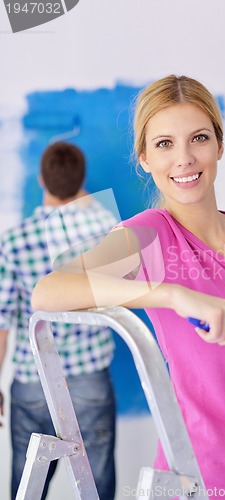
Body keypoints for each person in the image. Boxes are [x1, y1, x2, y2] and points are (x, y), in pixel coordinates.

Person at [31, 76, 225, 500]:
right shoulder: (150, 237)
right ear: (144, 159)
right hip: (202, 484)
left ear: (219, 146)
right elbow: (48, 291)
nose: (185, 159)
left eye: (199, 138)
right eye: (165, 144)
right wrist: (171, 294)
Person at [0, 142, 117, 500]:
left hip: (32, 377)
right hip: (90, 376)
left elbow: (2, 322)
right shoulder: (107, 230)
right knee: (97, 486)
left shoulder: (14, 241)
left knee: (26, 487)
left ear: (41, 180)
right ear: (82, 182)